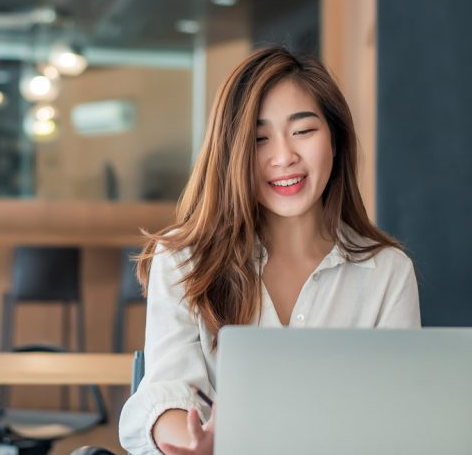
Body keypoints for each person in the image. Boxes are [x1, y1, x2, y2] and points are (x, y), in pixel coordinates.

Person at [118, 45, 421, 455]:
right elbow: (168, 393)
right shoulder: (184, 262)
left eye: (303, 131)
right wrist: (195, 443)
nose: (284, 157)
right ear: (232, 154)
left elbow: (400, 415)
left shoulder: (386, 272)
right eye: (259, 139)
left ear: (336, 139)